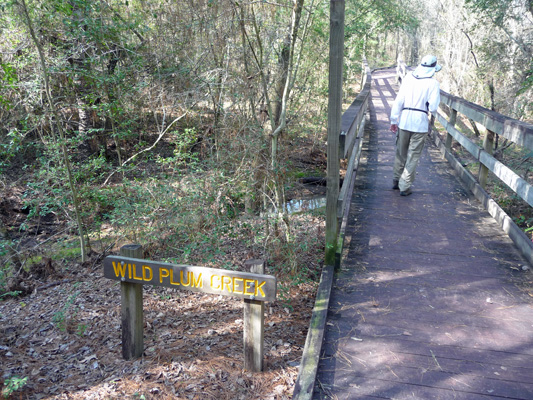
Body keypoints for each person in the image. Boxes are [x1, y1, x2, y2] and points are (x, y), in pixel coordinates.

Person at [390, 55, 441, 196]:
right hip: (420, 124)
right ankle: (404, 186)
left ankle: (396, 179)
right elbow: (433, 107)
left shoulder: (408, 78)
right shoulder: (433, 84)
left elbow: (399, 100)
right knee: (413, 156)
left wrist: (394, 120)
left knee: (401, 153)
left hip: (404, 120)